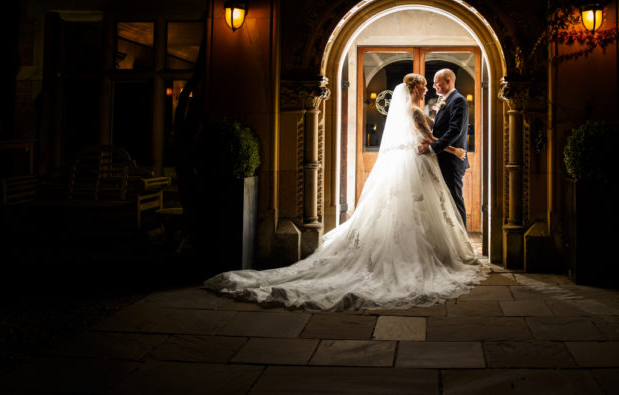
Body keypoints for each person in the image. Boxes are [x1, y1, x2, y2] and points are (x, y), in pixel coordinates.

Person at [205, 73, 485, 311]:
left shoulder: (413, 110)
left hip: (416, 162)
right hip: (417, 163)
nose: (427, 89)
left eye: (429, 84)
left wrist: (438, 134)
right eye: (424, 85)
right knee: (416, 213)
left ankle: (414, 253)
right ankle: (421, 257)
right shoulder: (413, 111)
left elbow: (427, 137)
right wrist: (456, 149)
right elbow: (430, 139)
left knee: (411, 213)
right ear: (414, 89)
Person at [417, 68, 470, 228]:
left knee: (454, 199)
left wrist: (432, 147)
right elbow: (438, 129)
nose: (434, 86)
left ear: (448, 81)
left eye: (437, 82)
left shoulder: (458, 100)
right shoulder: (446, 100)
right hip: (443, 158)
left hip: (452, 161)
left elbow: (454, 130)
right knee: (445, 201)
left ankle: (462, 239)